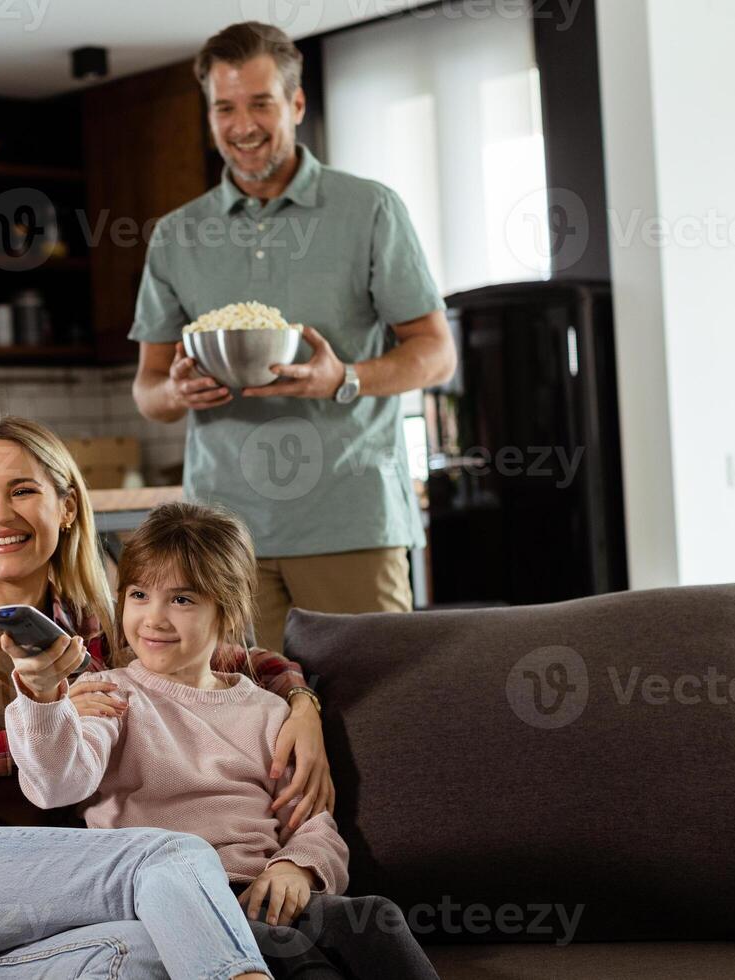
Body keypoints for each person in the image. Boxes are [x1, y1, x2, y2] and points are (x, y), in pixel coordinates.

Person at [0, 416, 332, 979]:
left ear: (67, 507)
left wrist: (300, 702)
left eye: (22, 490)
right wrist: (18, 743)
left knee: (153, 951)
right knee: (173, 856)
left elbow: (216, 656)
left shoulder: (97, 629)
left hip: (29, 893)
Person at [130, 21, 459, 653]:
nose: (243, 125)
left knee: (377, 718)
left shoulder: (369, 209)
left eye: (261, 103)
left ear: (297, 104)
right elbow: (147, 391)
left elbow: (435, 351)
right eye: (225, 107)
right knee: (242, 734)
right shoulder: (178, 234)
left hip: (351, 520)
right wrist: (177, 390)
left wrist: (347, 379)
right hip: (222, 538)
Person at [6, 502, 439, 980]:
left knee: (376, 919)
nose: (154, 618)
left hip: (267, 889)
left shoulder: (269, 712)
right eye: (138, 594)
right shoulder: (111, 696)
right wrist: (47, 703)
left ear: (227, 610)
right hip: (178, 903)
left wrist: (298, 868)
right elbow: (56, 785)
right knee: (296, 958)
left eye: (183, 600)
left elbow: (312, 823)